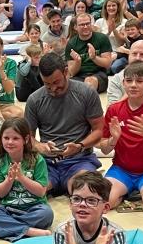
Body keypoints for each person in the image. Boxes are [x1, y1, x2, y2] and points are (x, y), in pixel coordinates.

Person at [98, 62, 143, 214]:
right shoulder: (114, 110)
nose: (133, 85)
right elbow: (104, 149)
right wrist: (114, 139)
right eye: (129, 81)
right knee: (101, 203)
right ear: (123, 83)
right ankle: (127, 191)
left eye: (139, 81)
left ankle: (142, 190)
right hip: (121, 170)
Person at [25, 53, 104, 195]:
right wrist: (39, 146)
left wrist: (80, 146)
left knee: (85, 192)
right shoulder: (34, 99)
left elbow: (99, 131)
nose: (53, 89)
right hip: (47, 163)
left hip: (79, 160)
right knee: (29, 193)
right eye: (47, 84)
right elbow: (27, 137)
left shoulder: (86, 93)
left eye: (56, 82)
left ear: (66, 72)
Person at [0, 117, 53, 241]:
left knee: (46, 214)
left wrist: (21, 178)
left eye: (15, 138)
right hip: (9, 209)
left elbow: (41, 191)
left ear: (25, 139)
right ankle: (28, 231)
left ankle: (6, 229)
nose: (10, 142)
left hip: (34, 208)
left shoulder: (37, 160)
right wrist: (9, 180)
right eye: (6, 138)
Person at [66, 13, 113, 93]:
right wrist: (78, 62)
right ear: (75, 27)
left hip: (98, 74)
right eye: (82, 25)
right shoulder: (71, 43)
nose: (85, 27)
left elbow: (108, 64)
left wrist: (94, 58)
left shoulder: (102, 38)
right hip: (79, 76)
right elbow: (72, 72)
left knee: (89, 82)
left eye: (88, 23)